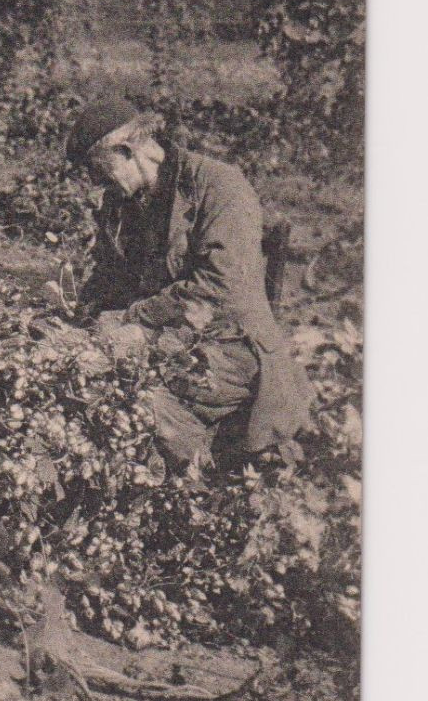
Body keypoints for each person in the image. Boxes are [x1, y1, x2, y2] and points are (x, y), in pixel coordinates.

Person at [64, 96, 313, 466]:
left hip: (232, 345)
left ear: (127, 150)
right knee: (77, 372)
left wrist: (133, 319)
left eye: (99, 172)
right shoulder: (122, 201)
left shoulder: (219, 186)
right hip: (166, 337)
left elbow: (219, 287)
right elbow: (108, 272)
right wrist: (87, 310)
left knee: (129, 399)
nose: (95, 184)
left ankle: (192, 484)